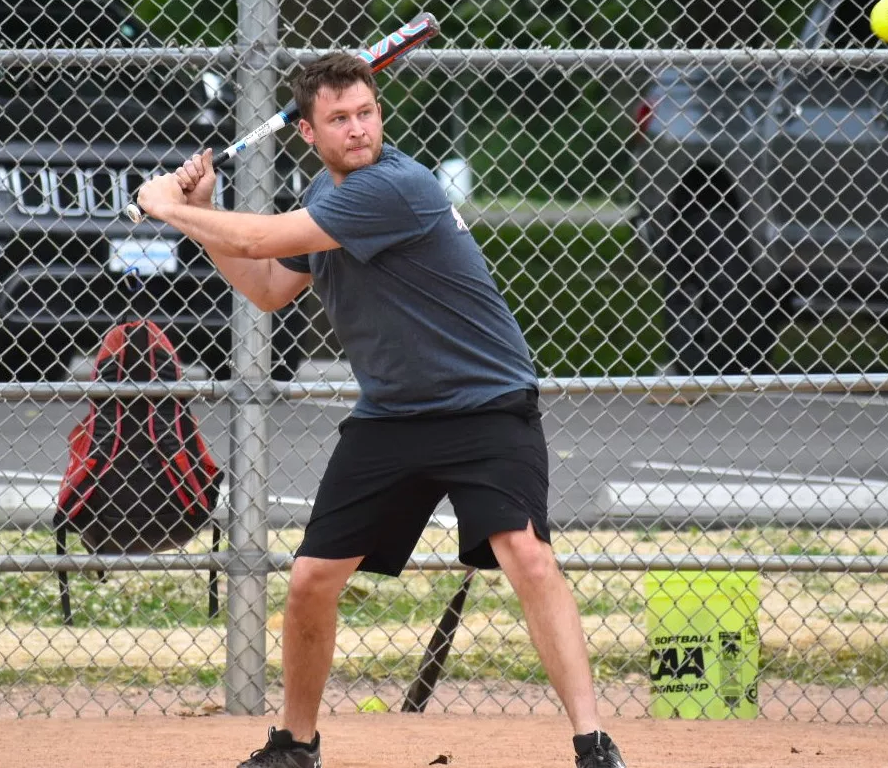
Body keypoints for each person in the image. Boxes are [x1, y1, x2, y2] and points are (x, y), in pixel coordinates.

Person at [134, 53, 627, 768]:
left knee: (526, 554)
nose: (358, 128)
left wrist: (171, 208)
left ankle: (592, 743)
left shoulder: (394, 186)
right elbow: (269, 284)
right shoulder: (322, 193)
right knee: (310, 579)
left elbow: (264, 238)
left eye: (366, 111)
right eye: (339, 118)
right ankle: (295, 745)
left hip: (483, 402)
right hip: (394, 415)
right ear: (307, 130)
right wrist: (201, 215)